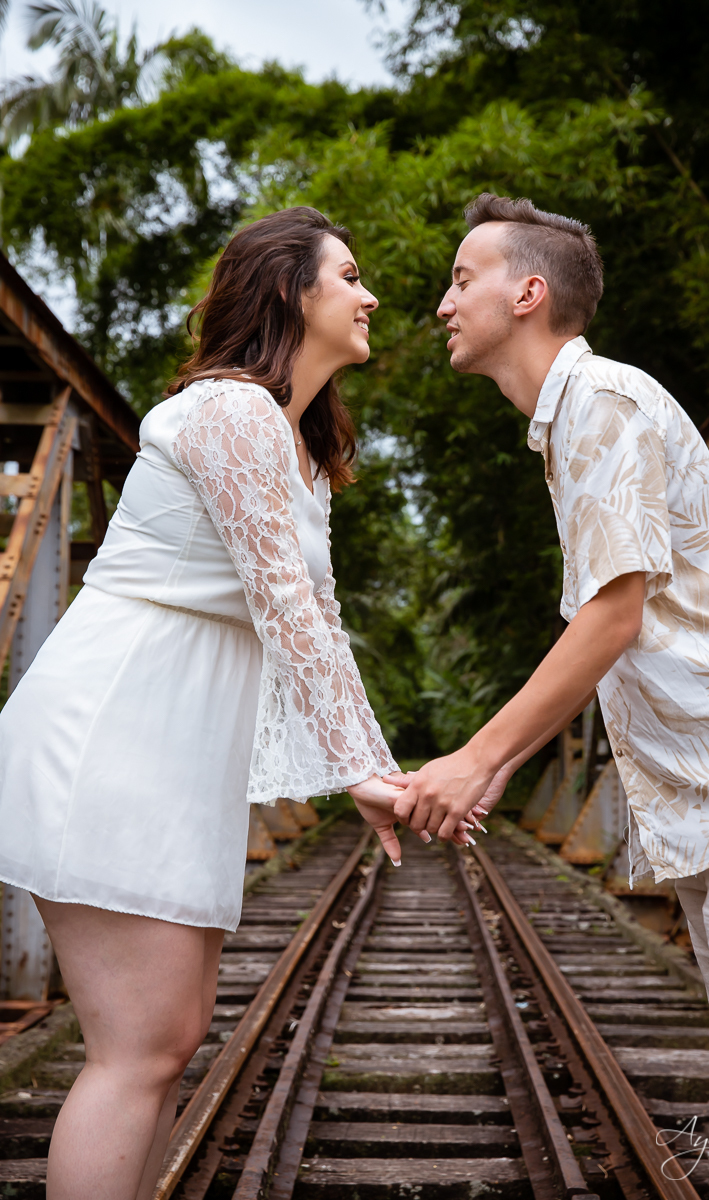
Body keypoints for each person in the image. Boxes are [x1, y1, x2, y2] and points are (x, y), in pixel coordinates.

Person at [0, 207, 467, 1200]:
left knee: (163, 1042)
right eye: (348, 274)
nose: (369, 293)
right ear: (292, 292)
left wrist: (370, 771)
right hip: (112, 734)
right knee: (139, 1048)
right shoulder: (228, 413)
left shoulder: (300, 447)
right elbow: (284, 607)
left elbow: (321, 623)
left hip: (167, 755)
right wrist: (358, 772)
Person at [389, 192, 709, 1200]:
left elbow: (609, 617)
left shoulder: (603, 405)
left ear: (526, 293)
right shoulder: (573, 420)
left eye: (459, 277)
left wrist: (477, 758)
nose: (441, 303)